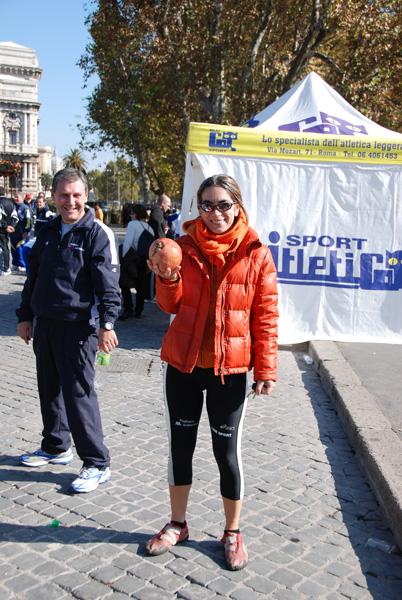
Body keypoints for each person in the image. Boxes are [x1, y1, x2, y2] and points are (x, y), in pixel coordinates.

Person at [145, 174, 278, 570]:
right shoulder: (182, 247)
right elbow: (169, 306)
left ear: (237, 205)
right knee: (180, 448)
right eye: (207, 205)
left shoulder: (256, 252)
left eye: (223, 205)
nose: (215, 213)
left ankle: (233, 532)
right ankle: (177, 524)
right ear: (198, 208)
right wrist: (167, 278)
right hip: (183, 366)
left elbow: (266, 315)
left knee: (227, 453)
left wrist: (266, 367)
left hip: (231, 370)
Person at [16, 168, 121, 494]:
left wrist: (107, 324)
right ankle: (56, 445)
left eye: (76, 195)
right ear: (54, 196)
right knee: (49, 389)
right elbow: (32, 279)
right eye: (64, 195)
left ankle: (96, 462)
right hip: (45, 324)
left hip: (79, 327)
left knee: (78, 396)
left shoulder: (96, 233)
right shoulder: (47, 230)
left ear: (85, 196)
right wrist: (26, 315)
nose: (70, 202)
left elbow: (108, 287)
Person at [119, 203, 154, 319]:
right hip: (144, 259)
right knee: (141, 286)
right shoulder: (149, 228)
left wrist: (123, 258)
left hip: (133, 258)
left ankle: (128, 308)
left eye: (132, 213)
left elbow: (128, 242)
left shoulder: (132, 224)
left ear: (135, 213)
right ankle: (139, 310)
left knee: (124, 283)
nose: (131, 215)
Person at [10, 192, 32, 271]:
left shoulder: (25, 208)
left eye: (17, 197)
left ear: (22, 198)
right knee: (13, 249)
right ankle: (15, 264)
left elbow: (28, 221)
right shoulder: (13, 207)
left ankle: (22, 265)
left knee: (20, 250)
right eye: (15, 197)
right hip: (13, 233)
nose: (16, 199)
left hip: (21, 233)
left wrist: (26, 231)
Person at [0, 186, 18, 275]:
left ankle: (3, 268)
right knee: (6, 247)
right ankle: (6, 267)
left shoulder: (0, 203)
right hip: (7, 229)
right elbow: (15, 217)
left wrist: (5, 226)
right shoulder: (11, 203)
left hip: (1, 228)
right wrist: (12, 226)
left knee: (3, 247)